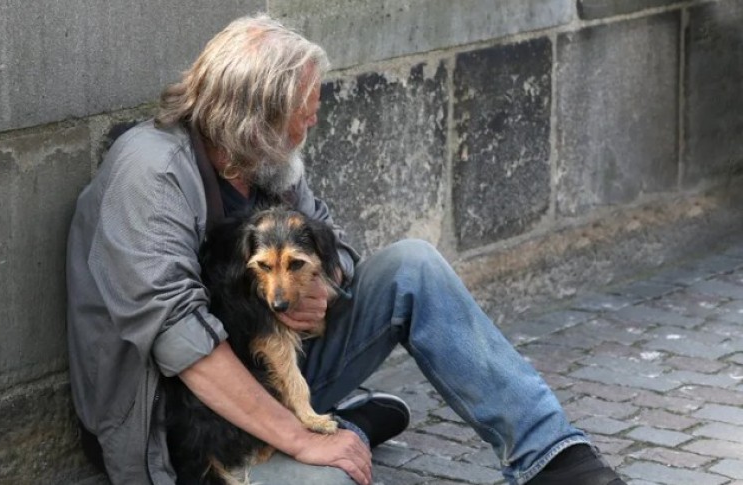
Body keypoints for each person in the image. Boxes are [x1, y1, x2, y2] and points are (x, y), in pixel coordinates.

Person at [66, 14, 627, 485]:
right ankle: (341, 424)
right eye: (303, 108)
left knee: (414, 265)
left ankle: (555, 456)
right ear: (256, 114)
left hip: (277, 369)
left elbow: (341, 253)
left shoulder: (268, 164)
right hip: (182, 426)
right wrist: (297, 439)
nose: (313, 118)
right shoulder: (150, 172)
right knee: (334, 477)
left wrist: (323, 293)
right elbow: (180, 343)